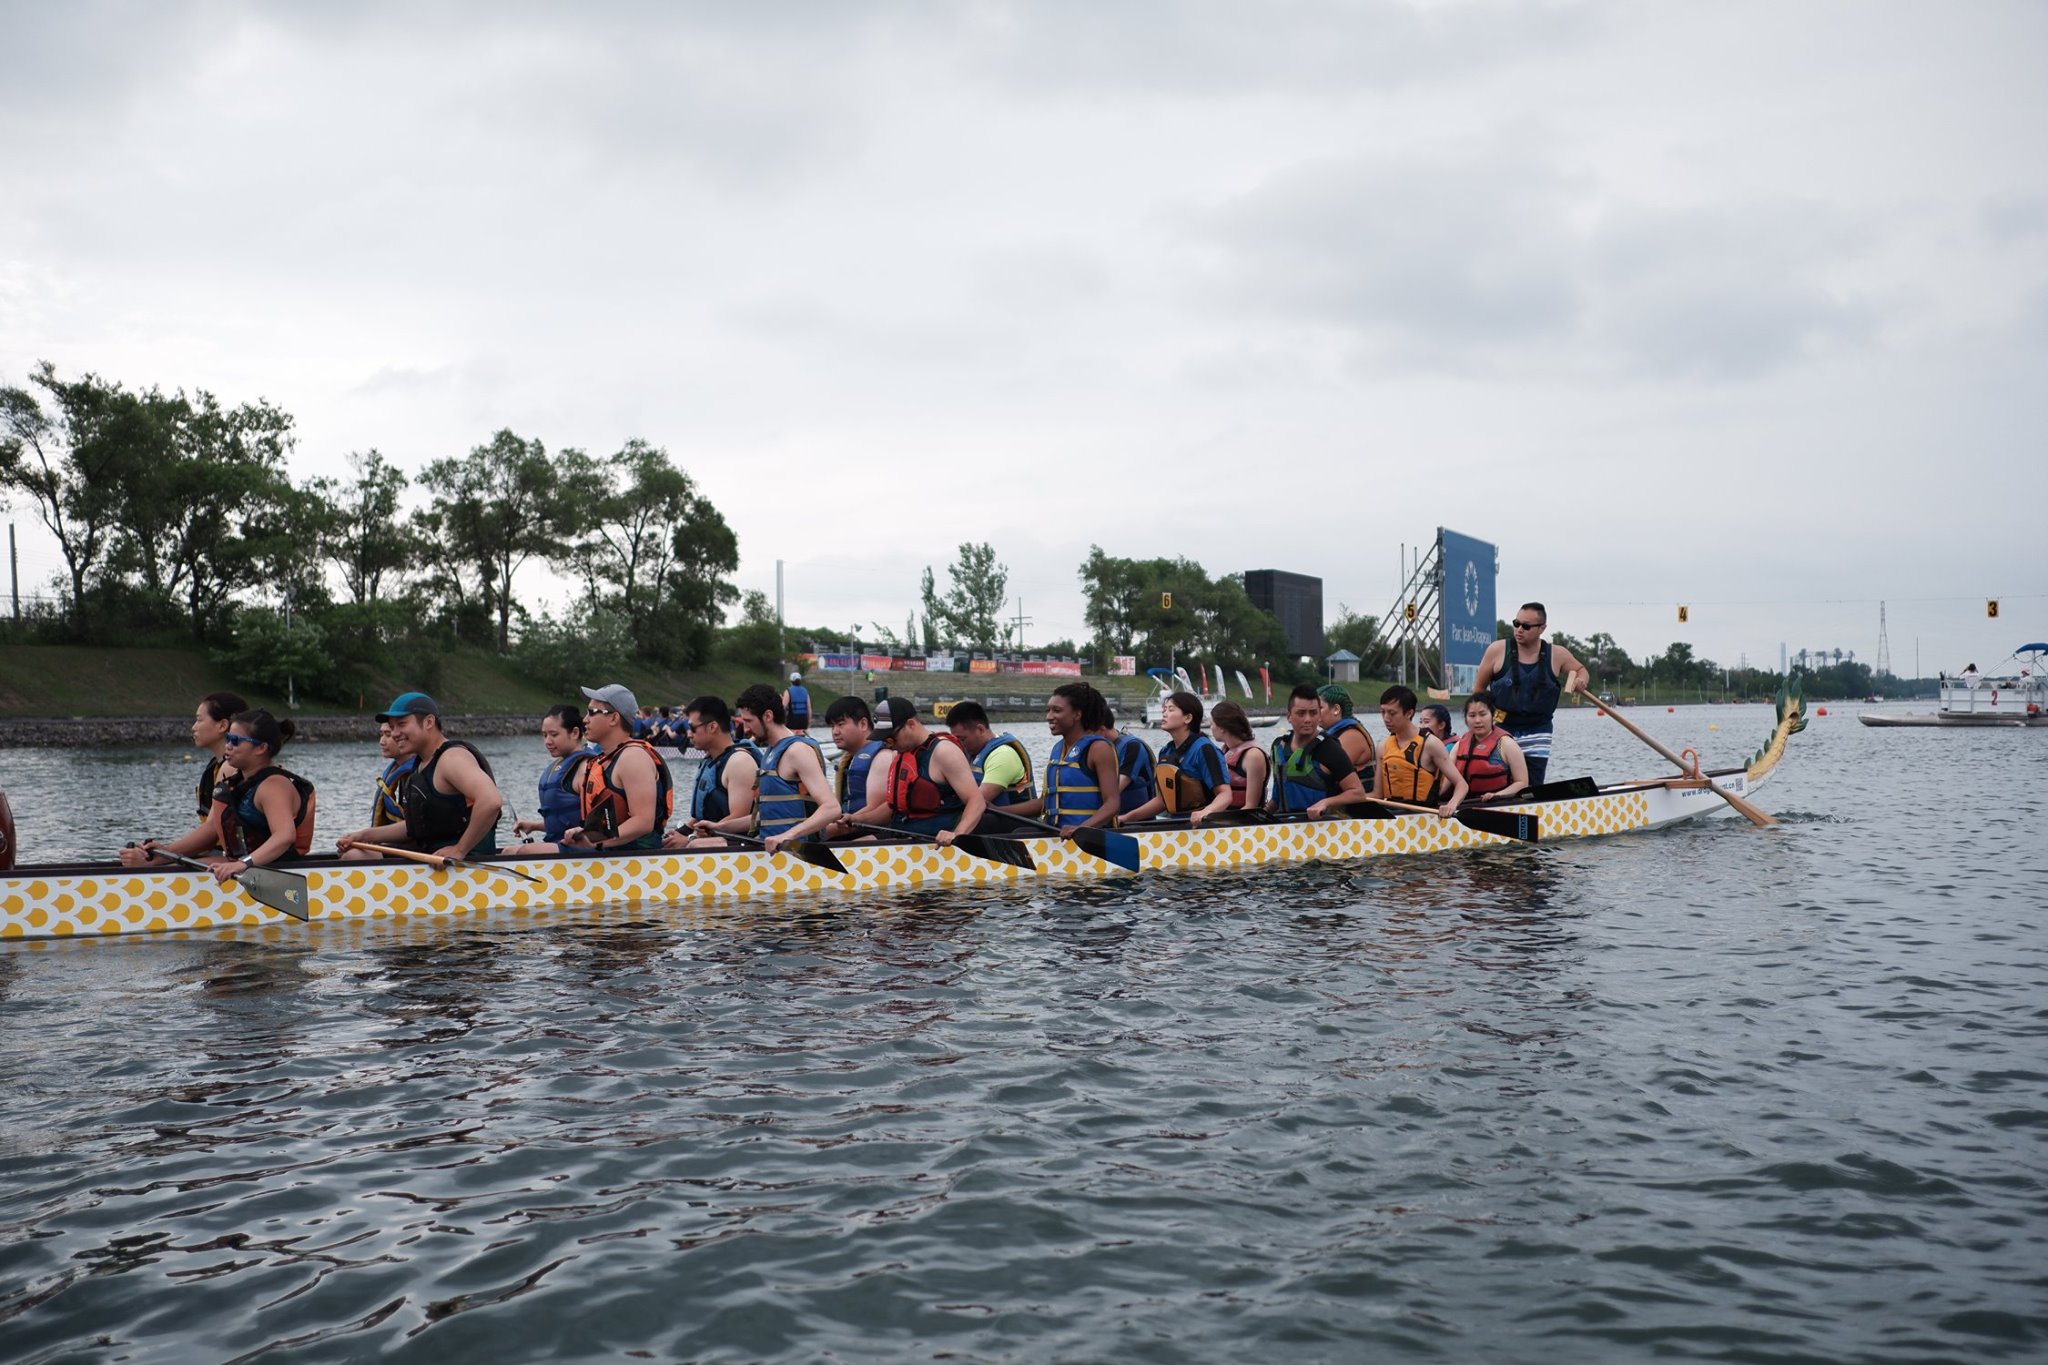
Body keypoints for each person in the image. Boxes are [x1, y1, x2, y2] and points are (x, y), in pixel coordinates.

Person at [123, 709, 317, 879]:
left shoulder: (273, 786)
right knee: (173, 866)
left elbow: (284, 836)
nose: (228, 746)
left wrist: (242, 865)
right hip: (246, 864)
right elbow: (212, 829)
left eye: (236, 741)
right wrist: (166, 852)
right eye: (228, 739)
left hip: (277, 869)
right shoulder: (236, 781)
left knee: (176, 871)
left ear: (261, 748)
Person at [336, 692, 505, 860]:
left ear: (429, 722)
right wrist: (364, 835)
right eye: (392, 727)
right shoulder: (421, 764)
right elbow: (414, 827)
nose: (394, 733)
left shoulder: (452, 758)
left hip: (462, 865)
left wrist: (459, 850)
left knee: (354, 857)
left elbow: (491, 801)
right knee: (355, 854)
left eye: (401, 724)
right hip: (430, 857)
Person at [694, 683, 838, 851]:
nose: (746, 729)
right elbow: (767, 815)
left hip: (795, 851)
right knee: (697, 844)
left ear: (768, 716)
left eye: (749, 721)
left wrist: (787, 836)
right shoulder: (771, 752)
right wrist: (720, 827)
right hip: (770, 847)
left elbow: (831, 808)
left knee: (696, 846)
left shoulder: (798, 751)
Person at [1471, 601, 1589, 787]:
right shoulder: (1497, 650)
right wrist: (1477, 723)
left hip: (1538, 730)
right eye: (1516, 623)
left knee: (1531, 785)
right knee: (1498, 781)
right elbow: (1478, 691)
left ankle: (1531, 802)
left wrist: (1581, 680)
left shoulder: (1557, 654)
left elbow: (1581, 670)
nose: (1519, 630)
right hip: (1502, 726)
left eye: (1526, 626)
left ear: (1542, 628)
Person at [862, 697, 987, 843]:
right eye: (884, 740)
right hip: (903, 835)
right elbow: (894, 807)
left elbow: (976, 801)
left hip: (935, 842)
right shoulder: (901, 753)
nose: (888, 745)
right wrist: (856, 819)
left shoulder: (945, 752)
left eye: (890, 738)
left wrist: (957, 834)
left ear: (910, 725)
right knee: (859, 842)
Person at [1008, 681, 1121, 836]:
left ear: (1077, 714)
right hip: (1057, 832)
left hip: (1087, 836)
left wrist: (1081, 828)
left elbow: (1112, 803)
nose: (1049, 717)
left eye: (1057, 710)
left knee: (1018, 833)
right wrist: (996, 809)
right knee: (1008, 829)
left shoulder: (1098, 748)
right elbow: (1044, 802)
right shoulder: (1058, 749)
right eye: (1048, 710)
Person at [663, 695, 760, 848]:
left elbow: (738, 818)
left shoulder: (739, 762)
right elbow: (702, 814)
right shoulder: (711, 761)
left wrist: (689, 839)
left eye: (693, 728)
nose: (689, 734)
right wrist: (682, 831)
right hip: (709, 836)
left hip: (737, 844)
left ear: (712, 727)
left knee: (693, 846)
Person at [1122, 692, 1232, 824]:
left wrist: (1205, 812)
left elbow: (1225, 795)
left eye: (1171, 709)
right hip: (1176, 825)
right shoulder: (1166, 752)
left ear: (1188, 718)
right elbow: (1163, 800)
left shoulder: (1205, 749)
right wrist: (1126, 818)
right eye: (1164, 709)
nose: (1164, 714)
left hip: (1203, 826)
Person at [1268, 682, 1371, 818]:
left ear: (1319, 715)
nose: (1308, 719)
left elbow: (1358, 793)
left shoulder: (1330, 749)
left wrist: (1325, 802)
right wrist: (1264, 811)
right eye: (1301, 713)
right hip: (1285, 823)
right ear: (1289, 717)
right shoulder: (1278, 746)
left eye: (1313, 713)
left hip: (1320, 824)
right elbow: (1277, 797)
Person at [1372, 686, 1467, 815]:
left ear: (1409, 713)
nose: (1386, 718)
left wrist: (1451, 805)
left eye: (1392, 713)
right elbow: (1377, 795)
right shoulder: (1382, 746)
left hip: (1423, 816)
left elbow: (1461, 784)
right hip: (1393, 817)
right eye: (1383, 712)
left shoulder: (1431, 744)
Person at [511, 705, 594, 843]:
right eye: (545, 735)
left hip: (579, 849)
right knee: (510, 852)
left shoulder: (585, 768)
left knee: (517, 852)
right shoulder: (559, 765)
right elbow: (563, 824)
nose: (547, 741)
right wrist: (534, 826)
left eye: (554, 735)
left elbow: (597, 824)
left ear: (574, 733)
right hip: (558, 845)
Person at [943, 701, 1035, 812]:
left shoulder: (1002, 755)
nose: (959, 744)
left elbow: (976, 802)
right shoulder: (972, 752)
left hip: (1012, 819)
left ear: (980, 730)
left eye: (962, 739)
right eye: (955, 740)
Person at [822, 696, 894, 837]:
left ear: (863, 724)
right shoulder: (849, 758)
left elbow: (876, 810)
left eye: (840, 724)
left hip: (874, 835)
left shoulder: (882, 757)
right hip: (849, 830)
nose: (835, 731)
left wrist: (825, 832)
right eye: (832, 726)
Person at [1453, 689, 1531, 803]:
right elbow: (1446, 779)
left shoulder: (1507, 744)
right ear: (1466, 718)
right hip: (1466, 802)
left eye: (1483, 714)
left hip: (1499, 802)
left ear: (1493, 715)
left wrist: (1496, 795)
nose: (1477, 720)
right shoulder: (1459, 745)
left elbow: (1522, 783)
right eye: (1472, 715)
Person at [188, 690, 247, 822]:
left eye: (199, 720)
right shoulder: (216, 766)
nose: (193, 727)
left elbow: (213, 827)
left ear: (222, 725)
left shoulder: (232, 769)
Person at [1206, 700, 1268, 825]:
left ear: (1222, 728)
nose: (1210, 728)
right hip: (1224, 819)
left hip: (1244, 824)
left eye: (1212, 724)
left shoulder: (1253, 755)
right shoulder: (1225, 750)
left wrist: (1220, 823)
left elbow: (1251, 806)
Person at [1317, 684, 1377, 792]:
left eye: (1319, 708)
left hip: (1359, 800)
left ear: (1336, 709)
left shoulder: (1352, 736)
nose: (1314, 713)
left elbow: (1324, 771)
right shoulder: (1329, 734)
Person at [370, 719, 417, 830]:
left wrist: (368, 835)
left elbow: (418, 827)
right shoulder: (398, 770)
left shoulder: (419, 773)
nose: (381, 741)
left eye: (388, 735)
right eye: (381, 734)